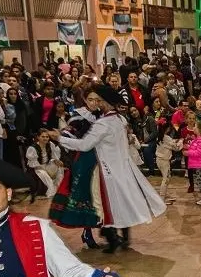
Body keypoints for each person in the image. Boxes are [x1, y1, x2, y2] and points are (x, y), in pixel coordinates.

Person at [50, 85, 166, 253]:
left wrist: (60, 138)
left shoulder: (103, 124)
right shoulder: (120, 119)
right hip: (121, 167)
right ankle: (122, 239)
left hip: (107, 171)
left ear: (104, 102)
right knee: (121, 202)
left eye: (98, 100)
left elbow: (84, 145)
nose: (96, 103)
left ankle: (113, 241)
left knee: (104, 206)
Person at [48, 101, 102, 249]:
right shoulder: (79, 116)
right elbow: (69, 131)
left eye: (96, 99)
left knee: (104, 195)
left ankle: (108, 231)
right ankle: (88, 232)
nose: (93, 102)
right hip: (86, 158)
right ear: (85, 99)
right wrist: (61, 135)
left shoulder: (104, 115)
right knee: (86, 194)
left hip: (104, 158)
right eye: (90, 99)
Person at [26, 129, 64, 199]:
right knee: (43, 173)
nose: (45, 138)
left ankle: (58, 188)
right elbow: (33, 164)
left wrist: (56, 160)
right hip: (36, 167)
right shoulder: (32, 148)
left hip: (47, 164)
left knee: (60, 168)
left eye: (47, 137)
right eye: (43, 137)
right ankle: (51, 192)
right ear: (38, 137)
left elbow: (52, 157)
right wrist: (44, 168)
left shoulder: (50, 145)